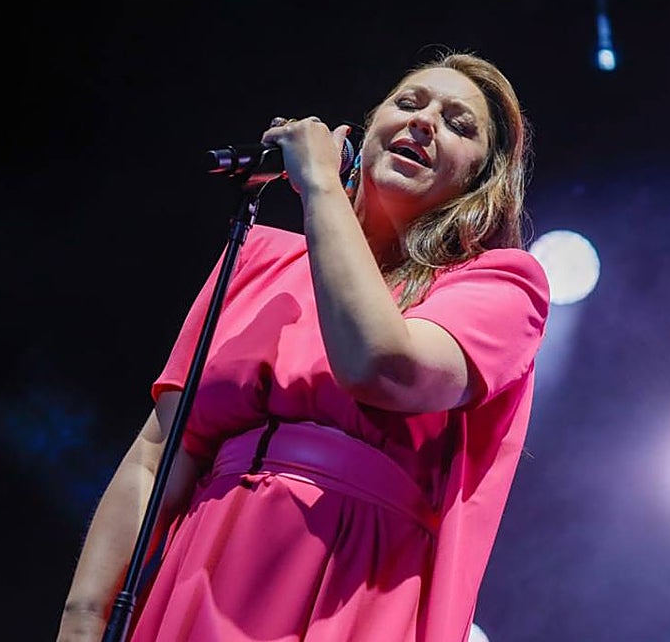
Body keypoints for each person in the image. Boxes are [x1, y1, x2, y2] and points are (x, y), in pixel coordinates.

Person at [56, 51, 550, 642]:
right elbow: (159, 455)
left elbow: (381, 366)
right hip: (202, 571)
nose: (424, 122)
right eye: (409, 103)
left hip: (349, 595)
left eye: (457, 123)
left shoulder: (501, 284)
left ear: (480, 177)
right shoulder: (257, 261)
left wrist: (320, 188)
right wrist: (84, 619)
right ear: (365, 134)